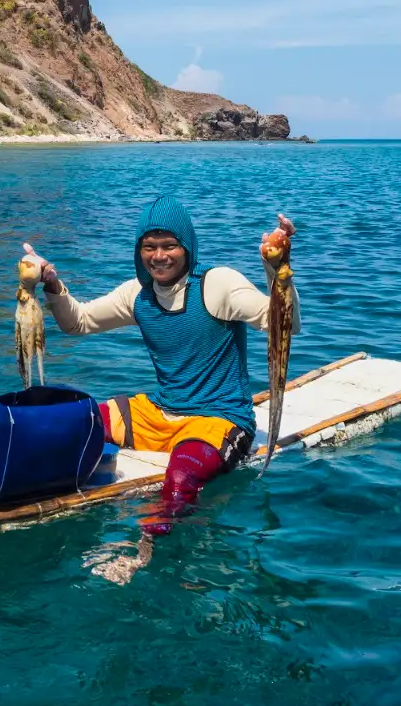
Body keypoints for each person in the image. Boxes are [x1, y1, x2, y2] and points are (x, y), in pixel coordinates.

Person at [22, 194, 298, 584]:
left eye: (170, 245)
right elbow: (78, 322)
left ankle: (144, 548)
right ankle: (18, 478)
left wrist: (277, 268)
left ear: (187, 247)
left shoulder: (217, 284)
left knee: (181, 476)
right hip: (160, 412)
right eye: (149, 247)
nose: (159, 256)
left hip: (218, 420)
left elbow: (284, 324)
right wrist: (51, 283)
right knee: (74, 421)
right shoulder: (138, 294)